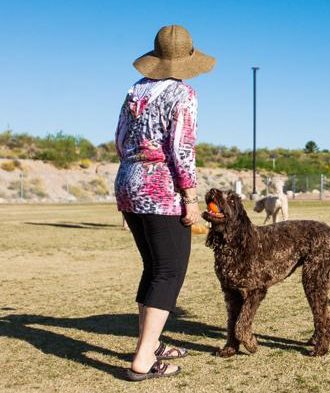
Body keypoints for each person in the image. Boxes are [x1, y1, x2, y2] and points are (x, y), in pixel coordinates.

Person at [114, 25, 215, 381]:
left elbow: (120, 139)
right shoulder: (183, 94)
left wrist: (128, 184)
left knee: (154, 267)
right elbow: (181, 148)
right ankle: (143, 359)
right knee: (169, 270)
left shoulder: (135, 91)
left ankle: (151, 344)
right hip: (161, 189)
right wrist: (190, 197)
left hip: (129, 182)